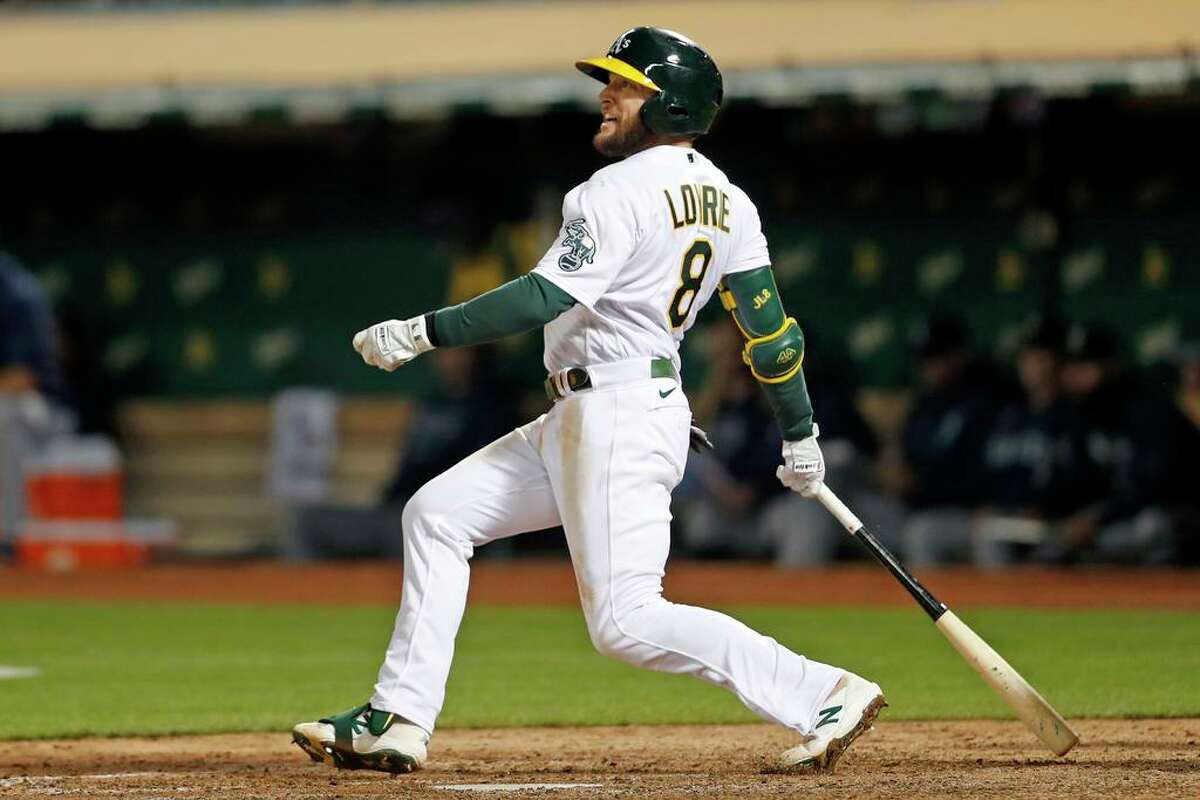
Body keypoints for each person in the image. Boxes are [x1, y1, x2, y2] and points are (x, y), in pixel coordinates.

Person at [292, 27, 885, 776]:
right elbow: (770, 336)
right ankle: (399, 716)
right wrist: (799, 433)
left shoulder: (611, 190)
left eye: (626, 85)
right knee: (436, 516)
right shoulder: (732, 202)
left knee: (626, 622)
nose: (607, 95)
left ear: (667, 103)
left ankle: (823, 690)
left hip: (615, 414)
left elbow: (544, 295)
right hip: (601, 412)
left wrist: (422, 332)